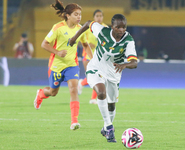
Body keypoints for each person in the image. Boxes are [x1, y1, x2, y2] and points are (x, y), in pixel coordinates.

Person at [70, 14, 138, 142]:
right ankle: (109, 127)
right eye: (118, 27)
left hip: (114, 75)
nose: (121, 30)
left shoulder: (128, 40)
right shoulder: (102, 31)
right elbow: (87, 23)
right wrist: (74, 38)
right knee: (101, 92)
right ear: (112, 27)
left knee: (111, 106)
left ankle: (105, 128)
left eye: (124, 27)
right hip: (95, 68)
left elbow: (134, 62)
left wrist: (124, 65)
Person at [33, 0, 93, 130]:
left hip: (72, 65)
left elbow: (86, 45)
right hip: (57, 65)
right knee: (53, 92)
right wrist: (57, 52)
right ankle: (41, 93)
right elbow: (44, 44)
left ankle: (74, 121)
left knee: (73, 89)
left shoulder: (80, 29)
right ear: (68, 15)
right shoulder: (58, 28)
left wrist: (93, 60)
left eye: (80, 15)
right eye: (76, 14)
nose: (79, 17)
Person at [78, 9, 108, 104]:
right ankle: (82, 84)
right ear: (94, 17)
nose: (99, 18)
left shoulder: (105, 28)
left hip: (99, 57)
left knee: (97, 77)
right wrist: (86, 44)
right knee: (94, 77)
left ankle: (92, 97)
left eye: (101, 16)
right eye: (97, 16)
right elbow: (78, 39)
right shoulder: (89, 27)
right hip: (87, 55)